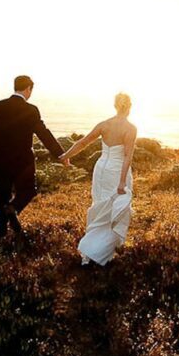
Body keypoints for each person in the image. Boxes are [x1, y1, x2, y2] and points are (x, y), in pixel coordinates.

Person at [0, 75, 67, 246]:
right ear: (28, 88)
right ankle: (13, 210)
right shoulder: (31, 110)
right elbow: (43, 133)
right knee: (29, 191)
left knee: (2, 196)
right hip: (23, 162)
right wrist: (60, 154)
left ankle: (1, 232)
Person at [60, 92, 137, 266]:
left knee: (100, 206)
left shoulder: (104, 124)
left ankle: (94, 249)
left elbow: (83, 142)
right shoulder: (130, 128)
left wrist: (65, 155)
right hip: (117, 171)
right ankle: (101, 251)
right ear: (130, 107)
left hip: (101, 169)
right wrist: (123, 181)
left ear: (115, 105)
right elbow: (127, 157)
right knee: (115, 209)